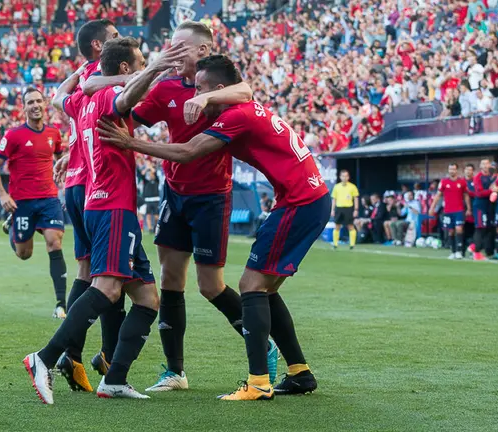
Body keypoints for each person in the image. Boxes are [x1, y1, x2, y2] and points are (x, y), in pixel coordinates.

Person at [97, 55, 330, 401]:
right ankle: (299, 372)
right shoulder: (241, 105)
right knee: (264, 288)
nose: (195, 93)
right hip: (307, 197)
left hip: (300, 201)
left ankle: (258, 383)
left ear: (219, 90)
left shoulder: (235, 116)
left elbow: (190, 151)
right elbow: (239, 92)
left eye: (202, 88)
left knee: (250, 284)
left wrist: (132, 144)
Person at [23, 37, 188, 403]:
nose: (146, 65)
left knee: (146, 299)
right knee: (108, 288)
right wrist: (158, 67)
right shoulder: (104, 98)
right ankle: (44, 358)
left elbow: (60, 96)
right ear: (126, 68)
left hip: (102, 203)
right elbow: (125, 99)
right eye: (140, 62)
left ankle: (114, 379)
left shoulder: (81, 99)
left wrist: (89, 76)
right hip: (112, 204)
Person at [131, 20, 276, 392]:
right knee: (169, 279)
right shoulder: (165, 89)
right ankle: (174, 371)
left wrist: (207, 97)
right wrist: (149, 71)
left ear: (202, 51)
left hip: (212, 195)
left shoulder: (224, 88)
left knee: (211, 286)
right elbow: (129, 113)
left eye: (179, 47)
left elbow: (248, 91)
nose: (171, 52)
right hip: (174, 193)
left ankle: (264, 344)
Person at [49, 18, 123, 391]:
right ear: (98, 46)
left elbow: (57, 97)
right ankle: (107, 357)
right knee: (112, 277)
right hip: (99, 185)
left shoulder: (81, 81)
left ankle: (73, 355)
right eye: (113, 37)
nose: (120, 39)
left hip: (77, 185)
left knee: (87, 271)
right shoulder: (108, 74)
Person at [0, 87, 67, 319]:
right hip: (22, 202)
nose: (35, 105)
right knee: (24, 254)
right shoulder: (13, 136)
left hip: (49, 199)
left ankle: (61, 304)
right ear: (23, 108)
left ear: (45, 105)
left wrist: (62, 168)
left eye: (38, 101)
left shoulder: (54, 134)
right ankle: (13, 225)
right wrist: (3, 195)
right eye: (30, 102)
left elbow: (59, 156)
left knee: (55, 242)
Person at [429, 163, 472, 259]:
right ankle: (453, 251)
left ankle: (459, 251)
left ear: (457, 170)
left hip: (459, 210)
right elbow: (438, 195)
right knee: (451, 231)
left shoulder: (462, 182)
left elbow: (466, 195)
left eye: (453, 169)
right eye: (450, 169)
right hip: (448, 211)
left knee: (459, 229)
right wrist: (432, 207)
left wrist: (469, 208)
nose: (451, 171)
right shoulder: (444, 182)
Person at [471, 159, 495, 261]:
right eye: (483, 164)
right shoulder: (478, 177)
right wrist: (491, 190)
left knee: (489, 228)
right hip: (480, 206)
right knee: (480, 228)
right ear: (480, 166)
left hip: (489, 206)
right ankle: (476, 252)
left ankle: (480, 249)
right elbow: (479, 193)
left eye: (487, 164)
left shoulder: (492, 176)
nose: (485, 166)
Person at [331, 170, 359, 250]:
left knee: (350, 226)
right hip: (339, 208)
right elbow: (334, 199)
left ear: (348, 177)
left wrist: (356, 209)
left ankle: (352, 245)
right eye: (343, 176)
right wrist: (332, 210)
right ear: (340, 177)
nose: (344, 178)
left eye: (346, 176)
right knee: (337, 226)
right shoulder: (337, 187)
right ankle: (335, 244)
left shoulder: (352, 187)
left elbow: (356, 198)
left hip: (348, 208)